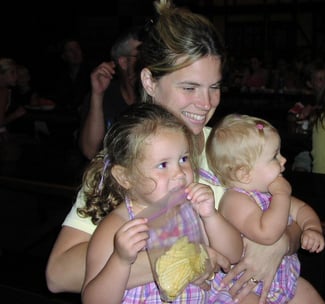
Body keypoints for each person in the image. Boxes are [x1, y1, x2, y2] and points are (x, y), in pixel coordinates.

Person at [46, 1, 302, 303]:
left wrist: (281, 243)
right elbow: (58, 274)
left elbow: (293, 212)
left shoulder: (227, 145)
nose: (206, 103)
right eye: (190, 88)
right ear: (149, 81)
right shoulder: (127, 160)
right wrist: (186, 257)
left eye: (214, 87)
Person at [80, 103, 242, 303]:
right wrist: (120, 261)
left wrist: (211, 216)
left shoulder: (191, 208)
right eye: (163, 165)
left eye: (184, 159)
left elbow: (233, 254)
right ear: (125, 177)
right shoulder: (117, 228)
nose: (180, 173)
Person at [206, 113, 325, 303]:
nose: (283, 159)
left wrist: (312, 228)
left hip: (286, 280)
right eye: (274, 157)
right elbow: (267, 234)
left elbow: (302, 209)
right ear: (244, 173)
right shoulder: (235, 201)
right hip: (246, 288)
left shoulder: (269, 193)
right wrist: (282, 196)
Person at [79, 26, 143, 160]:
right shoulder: (106, 94)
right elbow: (91, 151)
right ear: (124, 62)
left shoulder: (156, 93)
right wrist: (97, 95)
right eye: (141, 56)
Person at [288, 60, 325, 172]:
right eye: (319, 79)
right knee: (300, 167)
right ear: (310, 84)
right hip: (307, 149)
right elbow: (291, 116)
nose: (324, 82)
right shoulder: (306, 101)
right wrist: (300, 115)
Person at [0, 57, 27, 143]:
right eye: (12, 73)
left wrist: (3, 131)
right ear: (1, 74)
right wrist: (16, 114)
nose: (16, 76)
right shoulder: (3, 91)